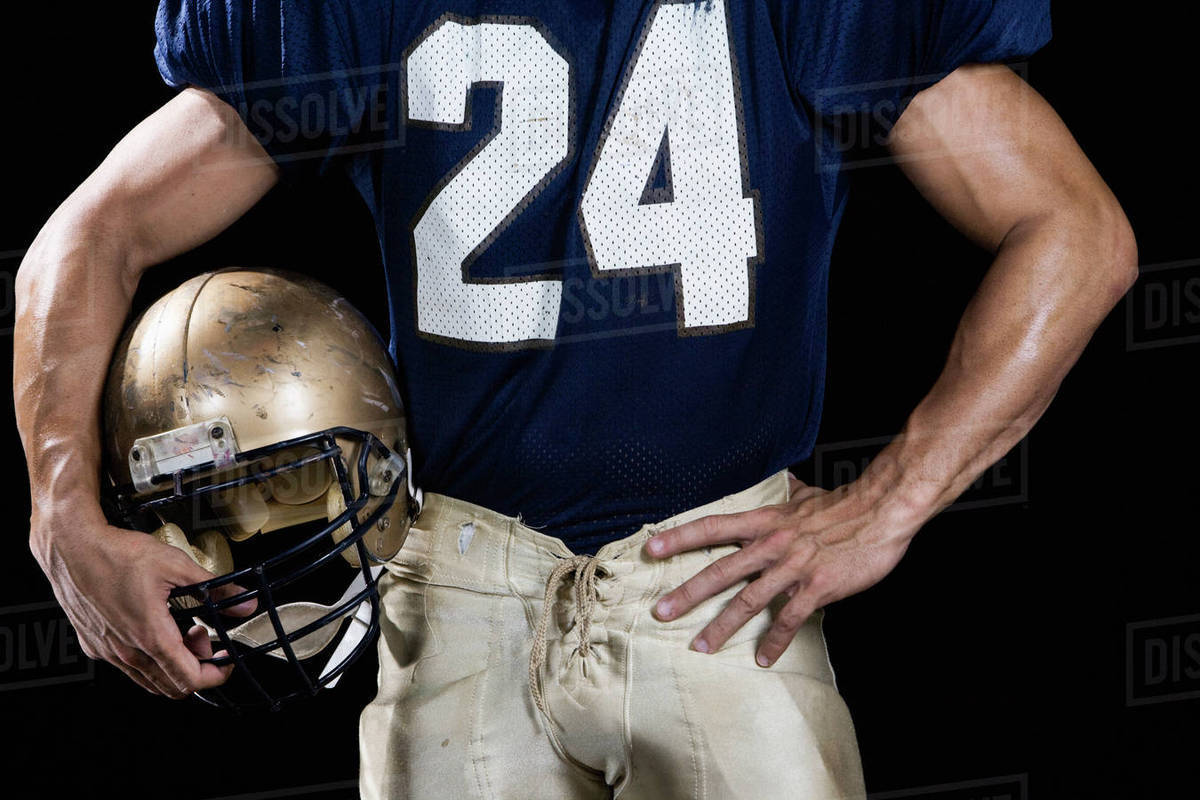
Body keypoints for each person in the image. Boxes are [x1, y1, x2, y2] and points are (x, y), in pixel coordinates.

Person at [14, 1, 1135, 798]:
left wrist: (889, 502)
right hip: (454, 582)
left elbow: (1077, 234)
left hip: (719, 592)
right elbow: (92, 232)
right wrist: (61, 514)